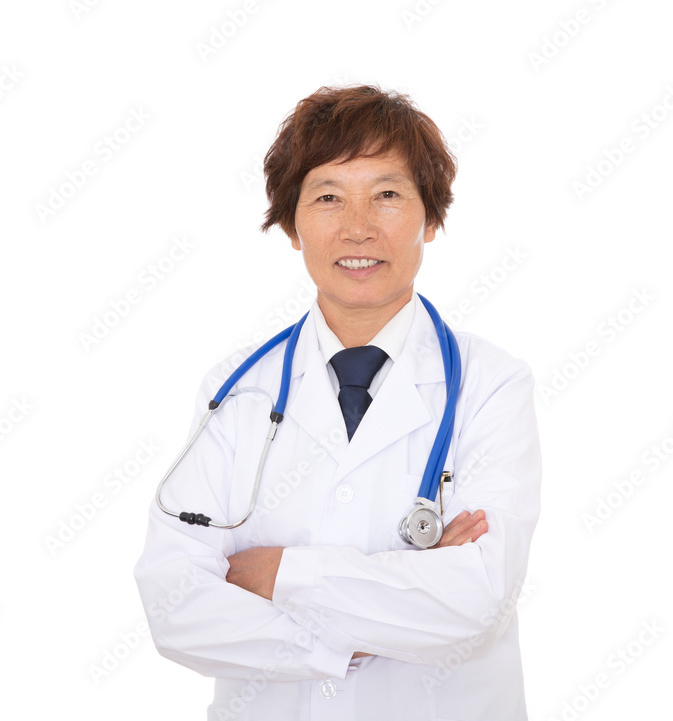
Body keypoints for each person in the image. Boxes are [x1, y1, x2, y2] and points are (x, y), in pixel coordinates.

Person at [134, 84, 541, 720]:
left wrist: (276, 576)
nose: (358, 227)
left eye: (387, 195)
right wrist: (356, 634)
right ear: (291, 224)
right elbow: (174, 606)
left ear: (431, 217)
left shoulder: (492, 384)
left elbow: (474, 602)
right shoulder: (235, 390)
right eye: (327, 197)